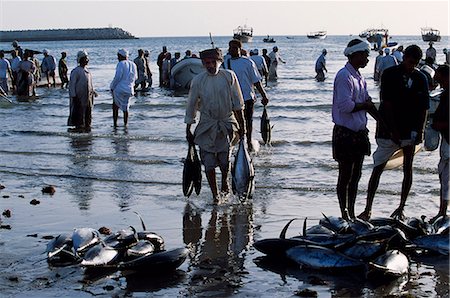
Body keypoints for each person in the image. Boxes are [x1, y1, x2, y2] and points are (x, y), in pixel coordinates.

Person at [358, 45, 429, 221]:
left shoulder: (420, 78)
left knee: (408, 168)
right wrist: (393, 131)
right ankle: (368, 209)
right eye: (410, 62)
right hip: (387, 130)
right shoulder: (389, 74)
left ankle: (401, 207)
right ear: (404, 58)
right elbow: (386, 105)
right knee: (378, 167)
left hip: (410, 131)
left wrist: (420, 131)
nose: (411, 66)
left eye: (415, 63)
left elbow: (424, 108)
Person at [185, 48, 245, 201]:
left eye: (213, 62)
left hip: (227, 123)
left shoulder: (229, 76)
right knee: (209, 163)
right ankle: (215, 195)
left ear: (220, 62)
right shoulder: (198, 80)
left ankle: (225, 180)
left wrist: (242, 125)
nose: (210, 66)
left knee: (225, 161)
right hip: (206, 124)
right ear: (203, 64)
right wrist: (188, 128)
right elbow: (191, 105)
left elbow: (238, 103)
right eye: (207, 63)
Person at [332, 39, 379, 220]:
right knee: (345, 174)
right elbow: (345, 106)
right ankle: (344, 211)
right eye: (365, 55)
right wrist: (364, 105)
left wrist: (382, 122)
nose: (367, 59)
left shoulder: (359, 77)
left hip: (359, 133)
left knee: (356, 175)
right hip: (345, 132)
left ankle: (351, 211)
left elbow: (368, 103)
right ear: (355, 55)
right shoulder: (344, 76)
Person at [223, 39, 269, 151]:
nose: (232, 50)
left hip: (247, 97)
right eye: (230, 48)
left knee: (248, 121)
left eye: (234, 48)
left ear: (240, 49)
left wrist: (264, 95)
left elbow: (256, 80)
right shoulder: (225, 62)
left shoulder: (247, 62)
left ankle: (248, 142)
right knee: (235, 123)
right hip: (232, 99)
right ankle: (237, 143)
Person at [430, 65, 449, 222]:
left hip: (448, 141)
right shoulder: (445, 94)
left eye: (439, 76)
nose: (437, 80)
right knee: (443, 175)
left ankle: (443, 212)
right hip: (446, 141)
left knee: (445, 177)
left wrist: (437, 125)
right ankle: (443, 210)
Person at [68, 50, 97, 132]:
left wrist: (93, 91)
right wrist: (74, 97)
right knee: (78, 116)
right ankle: (79, 132)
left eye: (87, 59)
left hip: (88, 97)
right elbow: (72, 85)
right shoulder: (76, 71)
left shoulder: (88, 71)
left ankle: (87, 130)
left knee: (88, 114)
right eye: (85, 59)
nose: (87, 60)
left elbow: (90, 84)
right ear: (80, 60)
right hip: (78, 98)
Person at [110, 49, 137, 127]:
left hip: (120, 89)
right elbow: (135, 77)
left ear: (120, 56)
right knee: (126, 108)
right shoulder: (133, 64)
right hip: (129, 89)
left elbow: (117, 77)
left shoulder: (121, 64)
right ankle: (126, 124)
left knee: (115, 106)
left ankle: (115, 124)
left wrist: (112, 87)